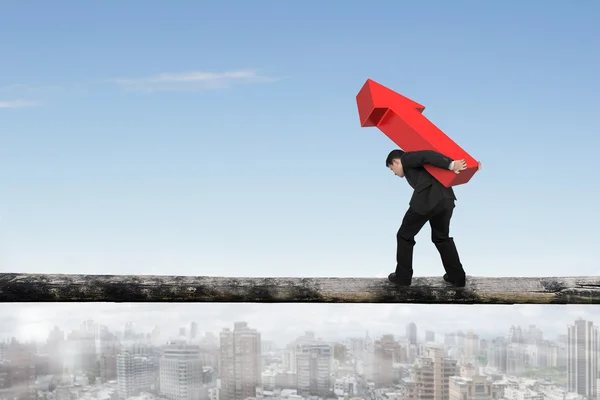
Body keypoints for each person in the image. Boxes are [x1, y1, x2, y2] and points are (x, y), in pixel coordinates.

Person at [385, 149, 481, 288]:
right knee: (441, 237)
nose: (394, 173)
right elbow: (438, 165)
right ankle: (457, 277)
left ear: (396, 161)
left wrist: (451, 165)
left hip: (427, 200)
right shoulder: (423, 169)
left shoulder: (406, 158)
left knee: (404, 235)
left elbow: (426, 155)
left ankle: (403, 277)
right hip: (445, 200)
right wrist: (472, 169)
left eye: (392, 169)